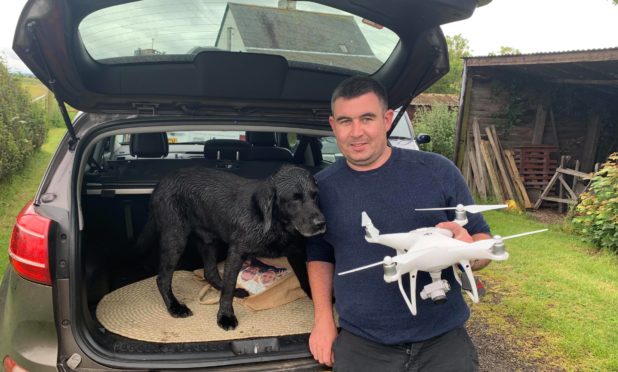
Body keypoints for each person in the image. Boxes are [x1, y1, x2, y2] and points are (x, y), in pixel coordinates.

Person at [306, 76, 492, 371]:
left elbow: (482, 242)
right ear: (333, 125)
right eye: (345, 121)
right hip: (363, 343)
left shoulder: (437, 171)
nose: (356, 132)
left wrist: (466, 251)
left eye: (367, 118)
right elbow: (319, 255)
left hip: (442, 341)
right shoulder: (320, 188)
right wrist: (323, 321)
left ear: (387, 119)